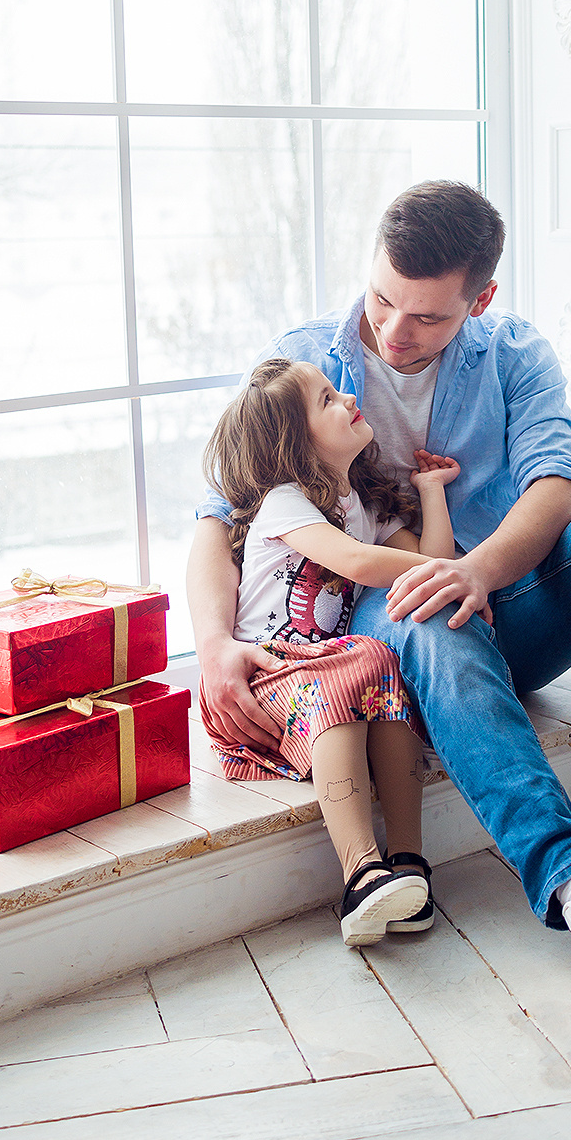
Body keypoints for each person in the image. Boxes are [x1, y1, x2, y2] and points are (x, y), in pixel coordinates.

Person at [189, 181, 571, 1017]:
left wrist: (480, 569)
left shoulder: (514, 354)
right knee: (426, 606)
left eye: (426, 317)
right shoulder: (310, 359)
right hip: (389, 649)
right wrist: (214, 646)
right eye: (382, 299)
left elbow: (556, 483)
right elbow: (221, 517)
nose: (394, 332)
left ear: (480, 299)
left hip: (501, 602)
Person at [198, 355, 464, 948]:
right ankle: (359, 873)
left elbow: (422, 559)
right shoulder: (285, 500)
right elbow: (364, 564)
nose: (346, 398)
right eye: (325, 400)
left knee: (383, 667)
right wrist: (462, 573)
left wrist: (430, 493)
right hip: (266, 675)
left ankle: (408, 863)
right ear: (296, 446)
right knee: (366, 660)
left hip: (327, 671)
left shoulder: (361, 505)